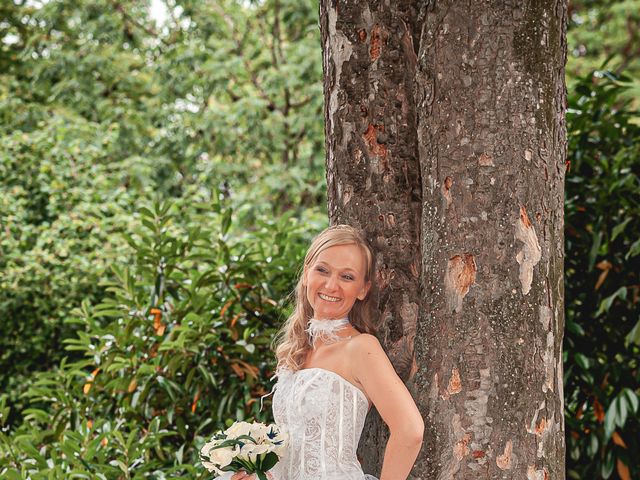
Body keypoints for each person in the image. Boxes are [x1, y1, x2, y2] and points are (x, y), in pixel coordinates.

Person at [228, 224, 424, 480]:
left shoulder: (361, 348)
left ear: (363, 289)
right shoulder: (296, 350)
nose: (331, 286)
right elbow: (295, 448)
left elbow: (410, 430)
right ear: (307, 274)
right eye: (322, 270)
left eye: (347, 277)